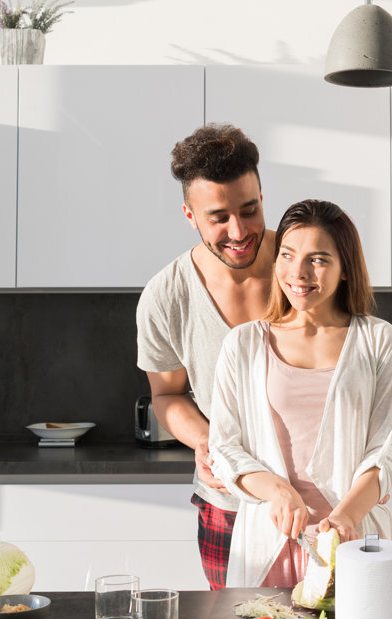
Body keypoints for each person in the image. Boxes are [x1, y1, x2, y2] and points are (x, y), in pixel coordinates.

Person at [208, 199, 392, 589]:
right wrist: (279, 491)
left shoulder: (380, 341)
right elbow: (224, 449)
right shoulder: (243, 344)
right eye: (287, 254)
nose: (297, 272)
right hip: (270, 544)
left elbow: (385, 451)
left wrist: (345, 517)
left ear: (345, 268)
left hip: (353, 541)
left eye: (318, 259)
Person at [136, 124, 275, 591]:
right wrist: (205, 441)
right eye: (218, 217)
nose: (238, 232)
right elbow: (167, 394)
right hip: (228, 504)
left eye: (250, 210)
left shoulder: (306, 266)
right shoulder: (166, 295)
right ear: (189, 215)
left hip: (320, 499)